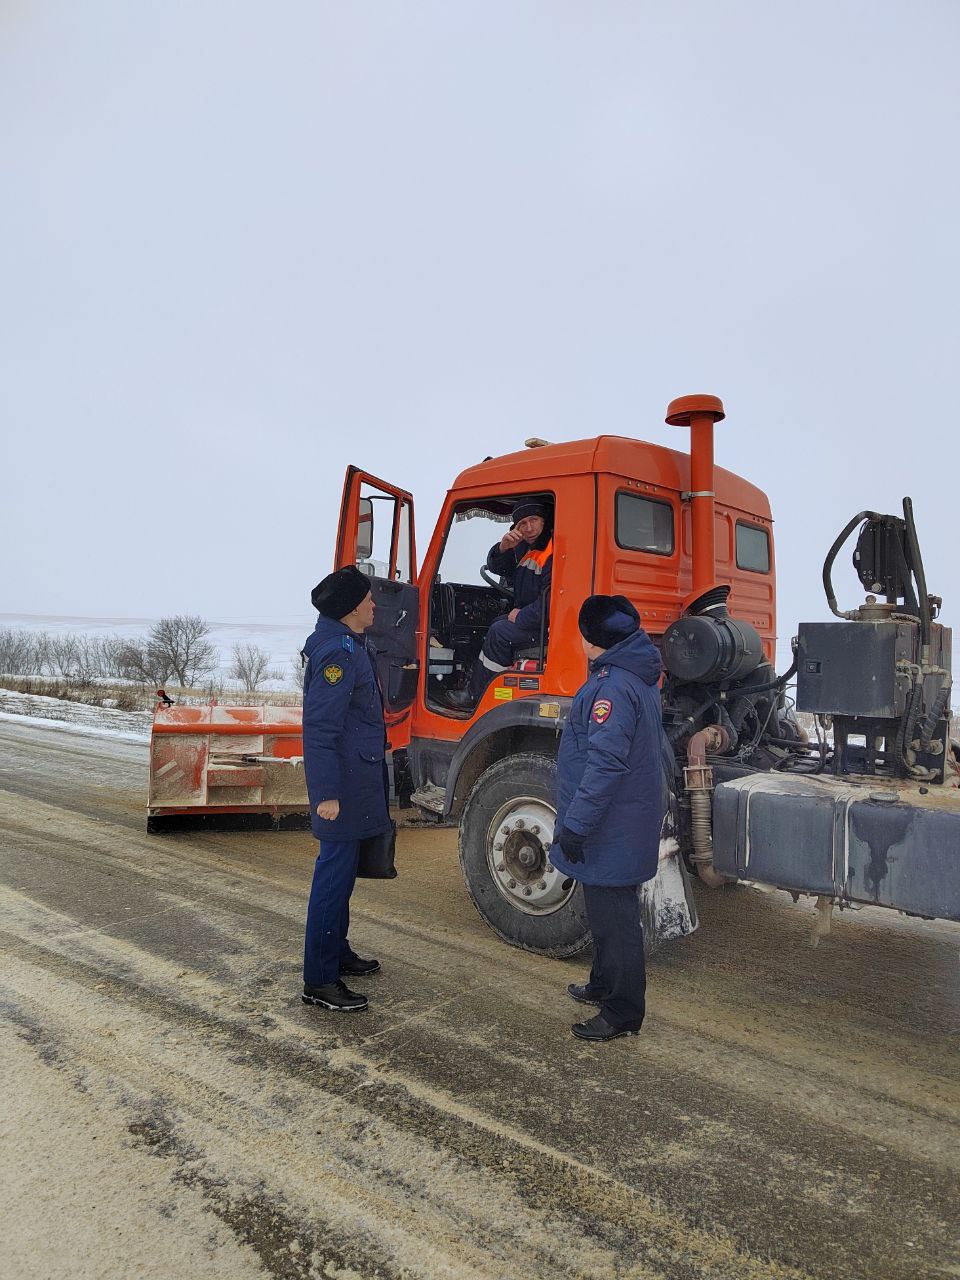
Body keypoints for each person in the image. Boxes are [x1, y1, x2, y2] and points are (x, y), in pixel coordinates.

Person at [551, 595, 666, 1042]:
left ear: (591, 640)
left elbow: (605, 765)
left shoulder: (612, 686)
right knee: (602, 911)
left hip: (611, 822)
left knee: (617, 921)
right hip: (621, 818)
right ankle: (602, 984)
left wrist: (577, 825)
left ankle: (621, 1013)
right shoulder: (631, 676)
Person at [301, 565, 390, 1012]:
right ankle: (319, 980)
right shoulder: (338, 652)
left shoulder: (348, 643)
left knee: (343, 877)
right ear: (354, 607)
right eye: (369, 598)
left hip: (356, 777)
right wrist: (326, 795)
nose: (375, 604)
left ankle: (337, 951)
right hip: (343, 786)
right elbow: (320, 728)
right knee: (332, 879)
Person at [447, 499, 553, 708]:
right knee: (495, 623)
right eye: (522, 524)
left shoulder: (552, 551)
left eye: (534, 520)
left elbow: (552, 600)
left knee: (499, 631)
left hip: (545, 625)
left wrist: (521, 616)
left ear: (544, 520)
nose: (529, 527)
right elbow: (499, 568)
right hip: (533, 617)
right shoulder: (525, 547)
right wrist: (504, 547)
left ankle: (478, 696)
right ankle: (478, 681)